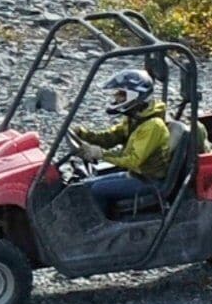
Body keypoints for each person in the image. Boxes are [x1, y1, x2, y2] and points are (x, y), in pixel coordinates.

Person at [74, 66, 174, 215]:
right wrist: (83, 134)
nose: (116, 97)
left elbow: (133, 160)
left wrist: (102, 155)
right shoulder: (135, 117)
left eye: (121, 94)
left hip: (149, 180)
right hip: (136, 174)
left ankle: (99, 231)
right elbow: (111, 137)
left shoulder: (153, 126)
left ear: (135, 95)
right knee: (85, 185)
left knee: (95, 190)